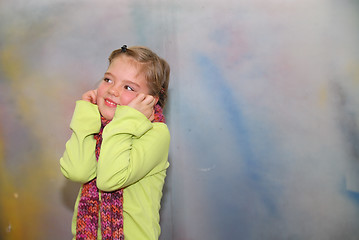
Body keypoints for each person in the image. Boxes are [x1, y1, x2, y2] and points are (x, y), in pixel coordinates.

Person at [60, 45, 170, 240]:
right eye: (108, 79)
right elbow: (78, 171)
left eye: (128, 87)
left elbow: (109, 179)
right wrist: (86, 117)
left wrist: (125, 121)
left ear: (150, 101)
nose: (112, 90)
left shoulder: (156, 134)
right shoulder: (97, 127)